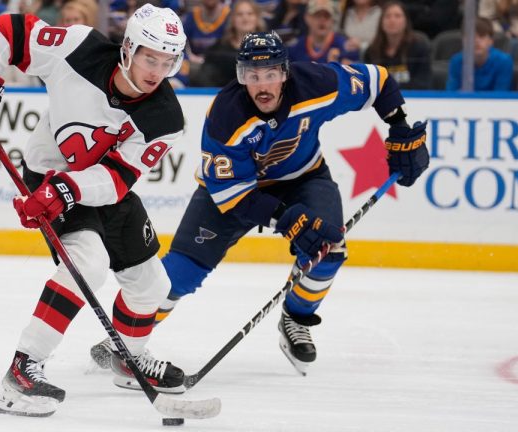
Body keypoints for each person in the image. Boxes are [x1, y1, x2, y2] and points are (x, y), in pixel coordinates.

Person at [91, 31, 429, 376]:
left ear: (285, 72)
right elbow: (233, 194)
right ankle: (123, 339)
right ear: (241, 77)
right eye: (253, 75)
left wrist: (399, 126)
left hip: (304, 178)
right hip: (234, 194)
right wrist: (286, 218)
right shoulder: (226, 115)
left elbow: (379, 81)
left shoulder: (317, 83)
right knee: (180, 273)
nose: (262, 85)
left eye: (270, 74)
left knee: (328, 250)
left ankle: (295, 319)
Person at [0, 3, 188, 417]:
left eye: (168, 61)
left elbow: (116, 178)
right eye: (151, 57)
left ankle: (126, 359)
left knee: (152, 284)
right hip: (47, 171)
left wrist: (67, 189)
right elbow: (11, 29)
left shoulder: (166, 116)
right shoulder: (79, 48)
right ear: (129, 48)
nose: (157, 70)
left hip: (99, 189)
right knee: (88, 263)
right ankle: (23, 369)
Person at [191, 0, 266, 87]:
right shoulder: (217, 48)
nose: (245, 18)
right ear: (233, 19)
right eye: (240, 14)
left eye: (250, 14)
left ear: (257, 18)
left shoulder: (268, 47)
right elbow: (204, 78)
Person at [363, 1, 431, 89]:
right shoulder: (371, 51)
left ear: (406, 21)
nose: (392, 20)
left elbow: (423, 83)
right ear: (381, 23)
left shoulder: (419, 48)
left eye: (397, 16)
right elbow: (368, 84)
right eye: (387, 16)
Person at [446, 17, 513, 91]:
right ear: (463, 41)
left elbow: (501, 96)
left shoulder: (504, 61)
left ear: (491, 41)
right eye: (471, 37)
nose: (476, 41)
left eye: (482, 36)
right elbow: (451, 95)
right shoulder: (456, 61)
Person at [287, 0, 360, 64]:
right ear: (307, 17)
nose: (322, 20)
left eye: (327, 16)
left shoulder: (345, 47)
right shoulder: (295, 47)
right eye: (317, 15)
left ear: (333, 19)